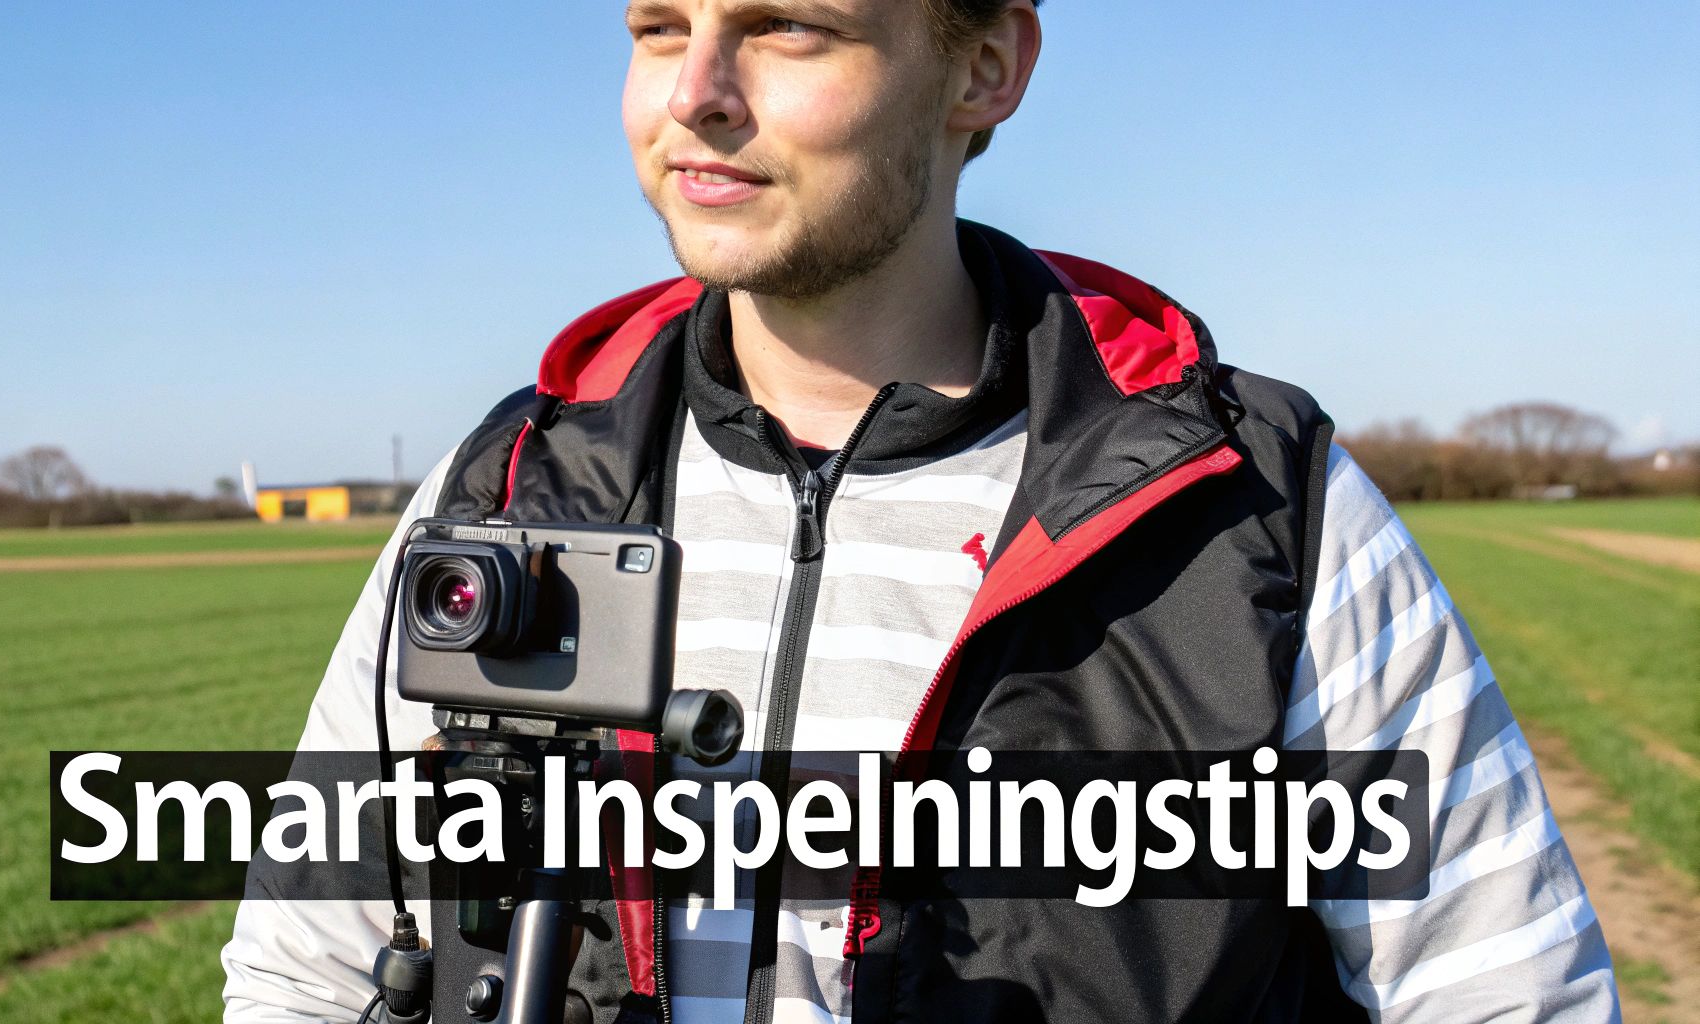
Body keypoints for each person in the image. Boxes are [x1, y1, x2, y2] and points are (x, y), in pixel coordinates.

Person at [223, 2, 1621, 1021]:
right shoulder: (507, 495)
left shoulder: (1254, 506)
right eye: (658, 29)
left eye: (786, 30)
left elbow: (1505, 993)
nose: (696, 93)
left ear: (985, 67)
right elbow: (305, 971)